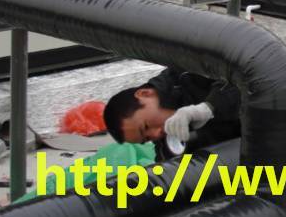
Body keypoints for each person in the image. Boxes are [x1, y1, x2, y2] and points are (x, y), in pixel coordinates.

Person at [103, 67, 241, 160]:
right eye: (148, 138)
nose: (156, 134)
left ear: (145, 94)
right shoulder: (167, 144)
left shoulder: (188, 72)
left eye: (146, 126)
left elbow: (244, 74)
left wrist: (209, 107)